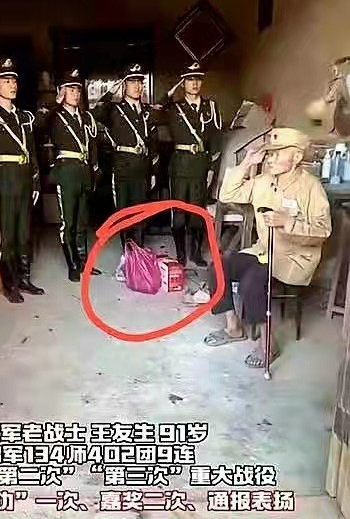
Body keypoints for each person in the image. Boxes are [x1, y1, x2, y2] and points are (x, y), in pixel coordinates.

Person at [204, 127, 332, 369]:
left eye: (276, 154)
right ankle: (233, 327)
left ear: (296, 157)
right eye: (269, 154)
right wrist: (246, 164)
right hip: (264, 250)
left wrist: (288, 222)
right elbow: (227, 194)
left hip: (294, 258)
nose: (270, 159)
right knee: (218, 267)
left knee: (251, 282)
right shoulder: (264, 181)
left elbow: (323, 231)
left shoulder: (310, 187)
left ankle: (267, 344)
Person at [0, 58, 44, 303]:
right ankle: (9, 283)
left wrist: (35, 181)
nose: (12, 85)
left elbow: (31, 151)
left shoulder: (24, 116)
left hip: (24, 179)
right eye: (5, 81)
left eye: (14, 80)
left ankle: (24, 278)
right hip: (3, 180)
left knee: (24, 233)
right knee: (6, 236)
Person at [92, 63, 159, 276]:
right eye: (131, 82)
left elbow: (153, 143)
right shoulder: (115, 110)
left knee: (140, 215)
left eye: (139, 82)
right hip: (122, 168)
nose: (137, 86)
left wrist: (153, 172)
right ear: (124, 85)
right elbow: (95, 113)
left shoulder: (147, 112)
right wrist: (111, 92)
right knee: (123, 214)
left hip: (142, 168)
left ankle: (138, 257)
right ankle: (126, 257)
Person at [36, 69, 99, 282]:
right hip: (66, 172)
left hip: (83, 171)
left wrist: (93, 170)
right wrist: (55, 102)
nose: (75, 94)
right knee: (68, 221)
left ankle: (83, 262)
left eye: (77, 90)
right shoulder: (54, 116)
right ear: (62, 92)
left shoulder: (85, 117)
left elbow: (91, 145)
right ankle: (72, 264)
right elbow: (38, 125)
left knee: (82, 221)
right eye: (70, 90)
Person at [157, 62, 222, 267]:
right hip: (180, 167)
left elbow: (216, 139)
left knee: (197, 214)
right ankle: (181, 253)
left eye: (198, 79)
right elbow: (155, 112)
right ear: (183, 83)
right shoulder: (174, 108)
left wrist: (212, 168)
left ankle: (196, 253)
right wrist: (169, 93)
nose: (194, 83)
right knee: (178, 214)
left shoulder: (210, 107)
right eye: (189, 80)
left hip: (200, 166)